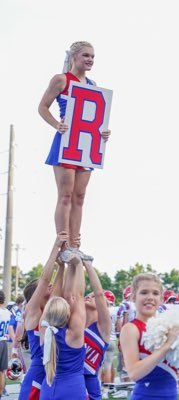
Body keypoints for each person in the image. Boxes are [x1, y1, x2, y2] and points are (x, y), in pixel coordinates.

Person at [38, 41, 111, 261]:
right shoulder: (61, 80)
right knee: (66, 195)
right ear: (74, 57)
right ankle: (63, 245)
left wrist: (102, 132)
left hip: (87, 146)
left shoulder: (92, 83)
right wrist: (56, 124)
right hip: (66, 143)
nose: (90, 60)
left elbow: (95, 114)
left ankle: (76, 244)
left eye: (93, 57)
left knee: (80, 196)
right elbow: (42, 107)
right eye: (86, 56)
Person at [120, 273, 179, 400]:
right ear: (133, 297)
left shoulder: (170, 326)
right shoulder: (131, 329)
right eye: (144, 292)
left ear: (161, 299)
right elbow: (134, 373)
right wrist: (166, 345)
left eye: (155, 293)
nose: (150, 297)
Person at [18, 232, 67, 400]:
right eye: (44, 286)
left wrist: (62, 266)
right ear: (36, 294)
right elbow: (46, 278)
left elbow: (58, 288)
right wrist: (56, 246)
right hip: (38, 375)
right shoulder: (32, 312)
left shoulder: (50, 309)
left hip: (55, 374)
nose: (50, 284)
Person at [39, 254, 86, 399]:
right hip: (73, 390)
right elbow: (77, 295)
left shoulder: (44, 329)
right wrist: (77, 265)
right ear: (67, 315)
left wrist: (60, 268)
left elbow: (53, 299)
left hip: (48, 388)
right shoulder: (73, 334)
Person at [82, 259, 112, 400]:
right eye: (88, 295)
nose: (89, 296)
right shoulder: (76, 324)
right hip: (70, 379)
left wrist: (88, 265)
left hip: (90, 380)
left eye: (93, 296)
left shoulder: (103, 328)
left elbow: (99, 294)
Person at [0, 290, 13, 400]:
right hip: (3, 342)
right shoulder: (7, 313)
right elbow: (8, 328)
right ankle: (1, 392)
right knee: (2, 371)